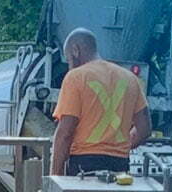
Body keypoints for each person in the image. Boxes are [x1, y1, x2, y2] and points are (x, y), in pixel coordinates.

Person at [51, 28, 151, 176]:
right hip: (120, 167)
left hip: (83, 166)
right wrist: (118, 147)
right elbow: (144, 129)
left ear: (75, 50)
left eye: (69, 59)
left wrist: (55, 178)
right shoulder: (130, 79)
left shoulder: (76, 77)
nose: (69, 66)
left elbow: (65, 133)